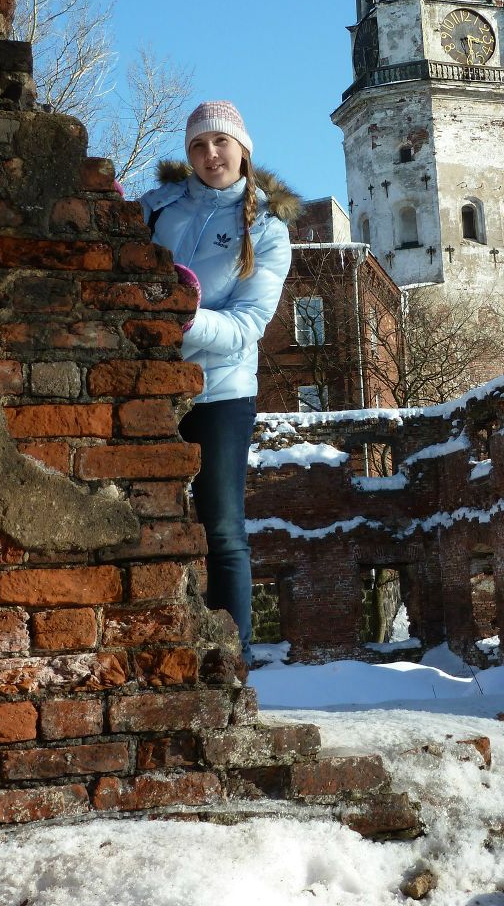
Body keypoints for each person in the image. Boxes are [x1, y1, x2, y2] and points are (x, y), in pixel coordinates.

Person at [139, 102, 297, 665]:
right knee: (142, 517)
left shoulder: (267, 230)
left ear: (243, 150)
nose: (211, 155)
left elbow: (248, 326)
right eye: (199, 146)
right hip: (147, 387)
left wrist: (182, 317)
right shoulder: (158, 209)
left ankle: (236, 660)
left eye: (221, 143)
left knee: (223, 528)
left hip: (219, 392)